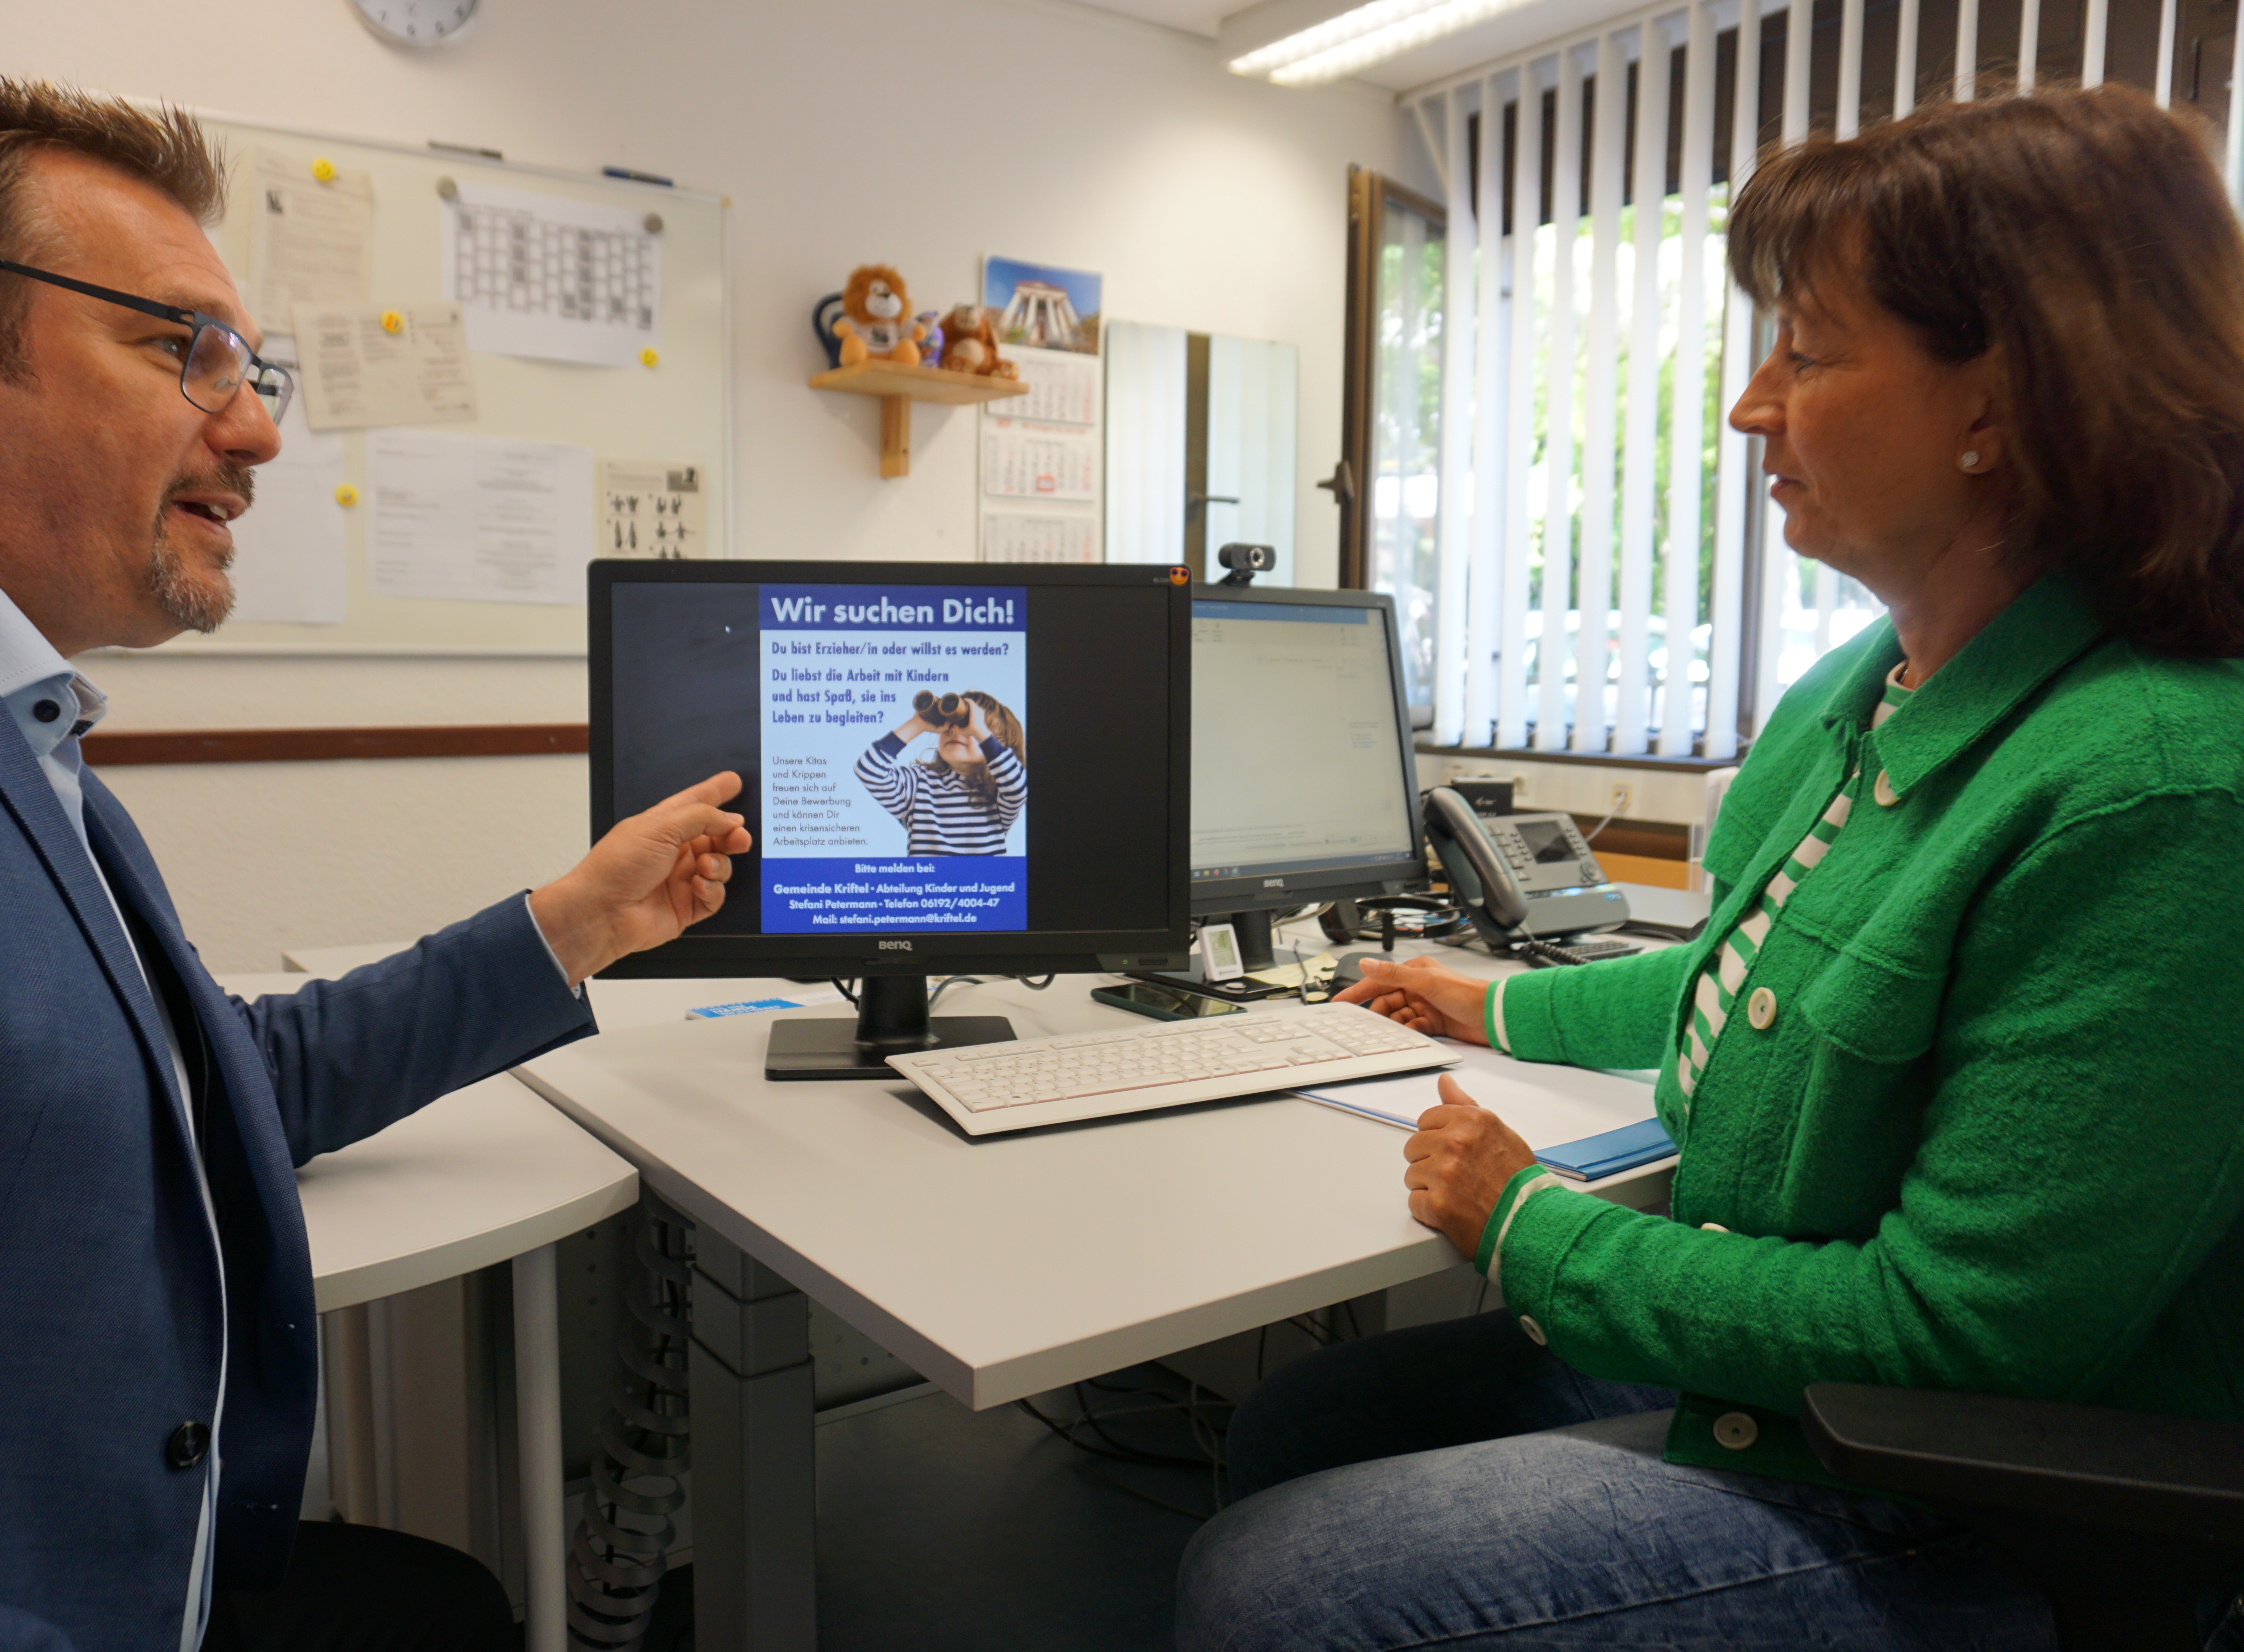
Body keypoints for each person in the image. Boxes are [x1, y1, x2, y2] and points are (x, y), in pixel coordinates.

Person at [1177, 83, 2244, 1650]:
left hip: (1962, 1485)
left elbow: (1958, 1332)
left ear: (1996, 401)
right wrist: (1490, 1007)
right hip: (1782, 1357)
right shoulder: (1862, 687)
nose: (1750, 406)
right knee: (1298, 1423)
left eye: (1804, 353)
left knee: (1282, 1580)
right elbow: (1759, 975)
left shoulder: (2157, 793)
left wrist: (1529, 1225)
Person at [0, 79, 752, 1650]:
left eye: (255, 366)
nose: (260, 428)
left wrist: (571, 924)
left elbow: (215, 1081)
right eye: (182, 350)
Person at [855, 688, 1028, 854]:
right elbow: (869, 770)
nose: (954, 730)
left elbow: (1018, 790)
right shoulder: (920, 784)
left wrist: (981, 731)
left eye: (967, 725)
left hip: (983, 885)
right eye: (951, 725)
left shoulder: (998, 790)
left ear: (999, 744)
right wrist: (918, 724)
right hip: (931, 884)